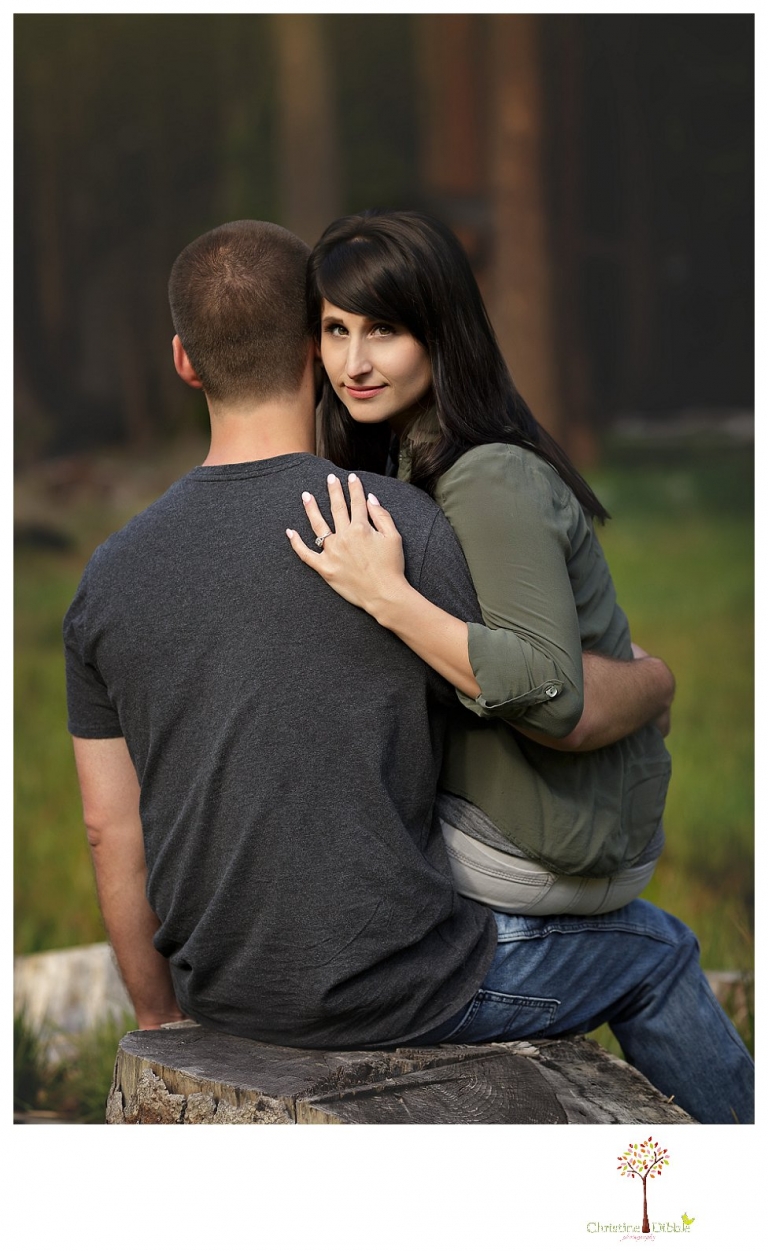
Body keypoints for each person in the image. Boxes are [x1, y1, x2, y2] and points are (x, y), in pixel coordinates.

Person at [64, 219, 753, 1123]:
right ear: (314, 346)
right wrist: (653, 683)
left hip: (226, 991)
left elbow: (109, 829)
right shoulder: (395, 526)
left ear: (185, 362)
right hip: (402, 989)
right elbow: (544, 693)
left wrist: (162, 1016)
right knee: (657, 955)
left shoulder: (107, 577)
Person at [287, 208, 671, 916]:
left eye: (384, 331)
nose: (354, 363)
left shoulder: (488, 476)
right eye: (336, 329)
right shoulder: (407, 455)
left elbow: (552, 695)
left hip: (543, 845)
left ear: (441, 333)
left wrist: (391, 597)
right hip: (552, 832)